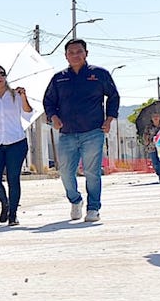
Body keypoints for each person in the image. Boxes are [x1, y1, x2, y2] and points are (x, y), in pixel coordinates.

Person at [42, 39, 119, 223]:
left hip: (93, 131)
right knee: (65, 173)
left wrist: (109, 119)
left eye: (79, 51)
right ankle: (75, 200)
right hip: (67, 133)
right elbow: (48, 101)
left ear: (86, 53)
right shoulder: (59, 78)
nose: (75, 55)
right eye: (71, 52)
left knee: (92, 172)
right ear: (66, 56)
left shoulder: (99, 74)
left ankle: (93, 208)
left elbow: (113, 96)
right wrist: (53, 117)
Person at [0, 64, 32, 224]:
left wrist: (24, 96)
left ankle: (13, 214)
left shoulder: (15, 95)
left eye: (2, 74)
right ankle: (5, 203)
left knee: (13, 178)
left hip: (16, 141)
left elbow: (28, 113)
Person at [141, 111, 160, 184]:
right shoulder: (148, 127)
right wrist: (147, 140)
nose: (155, 118)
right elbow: (145, 136)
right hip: (152, 147)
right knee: (155, 163)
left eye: (157, 116)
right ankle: (159, 173)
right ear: (151, 118)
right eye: (154, 116)